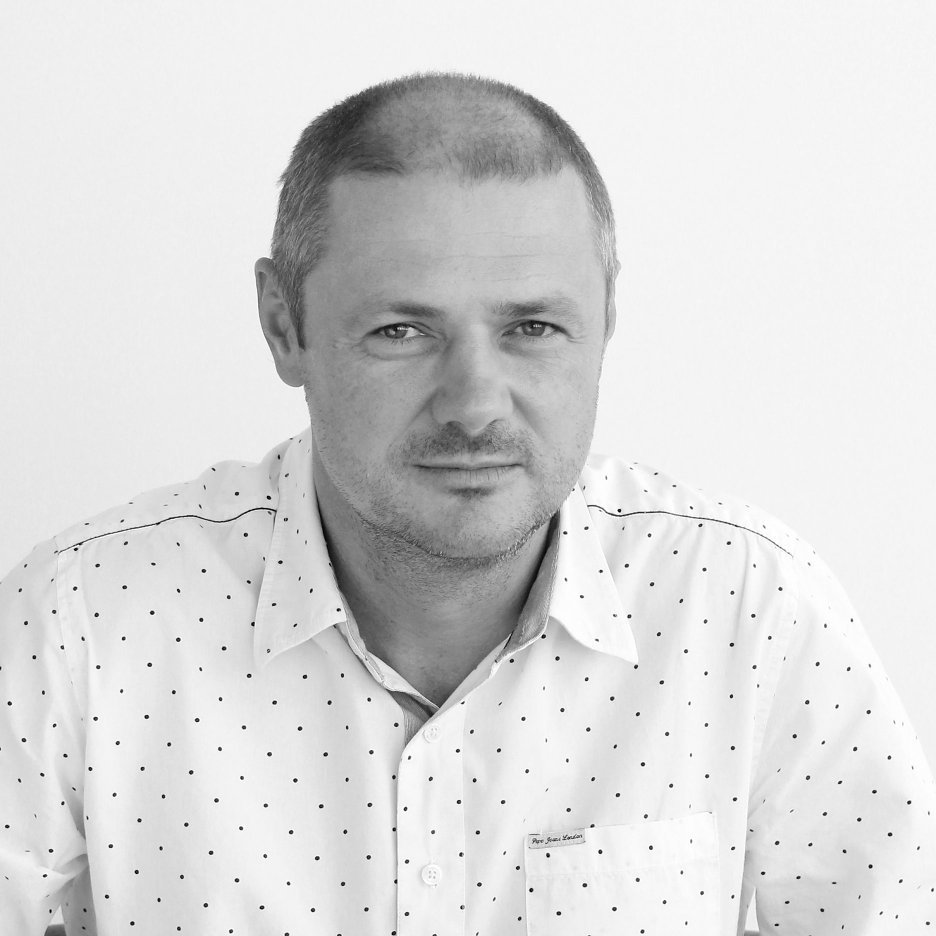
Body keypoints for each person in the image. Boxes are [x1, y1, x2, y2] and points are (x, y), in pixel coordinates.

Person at [1, 72, 933, 936]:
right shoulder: (79, 624)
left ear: (607, 318)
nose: (476, 405)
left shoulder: (750, 608)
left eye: (534, 327)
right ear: (285, 326)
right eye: (402, 330)